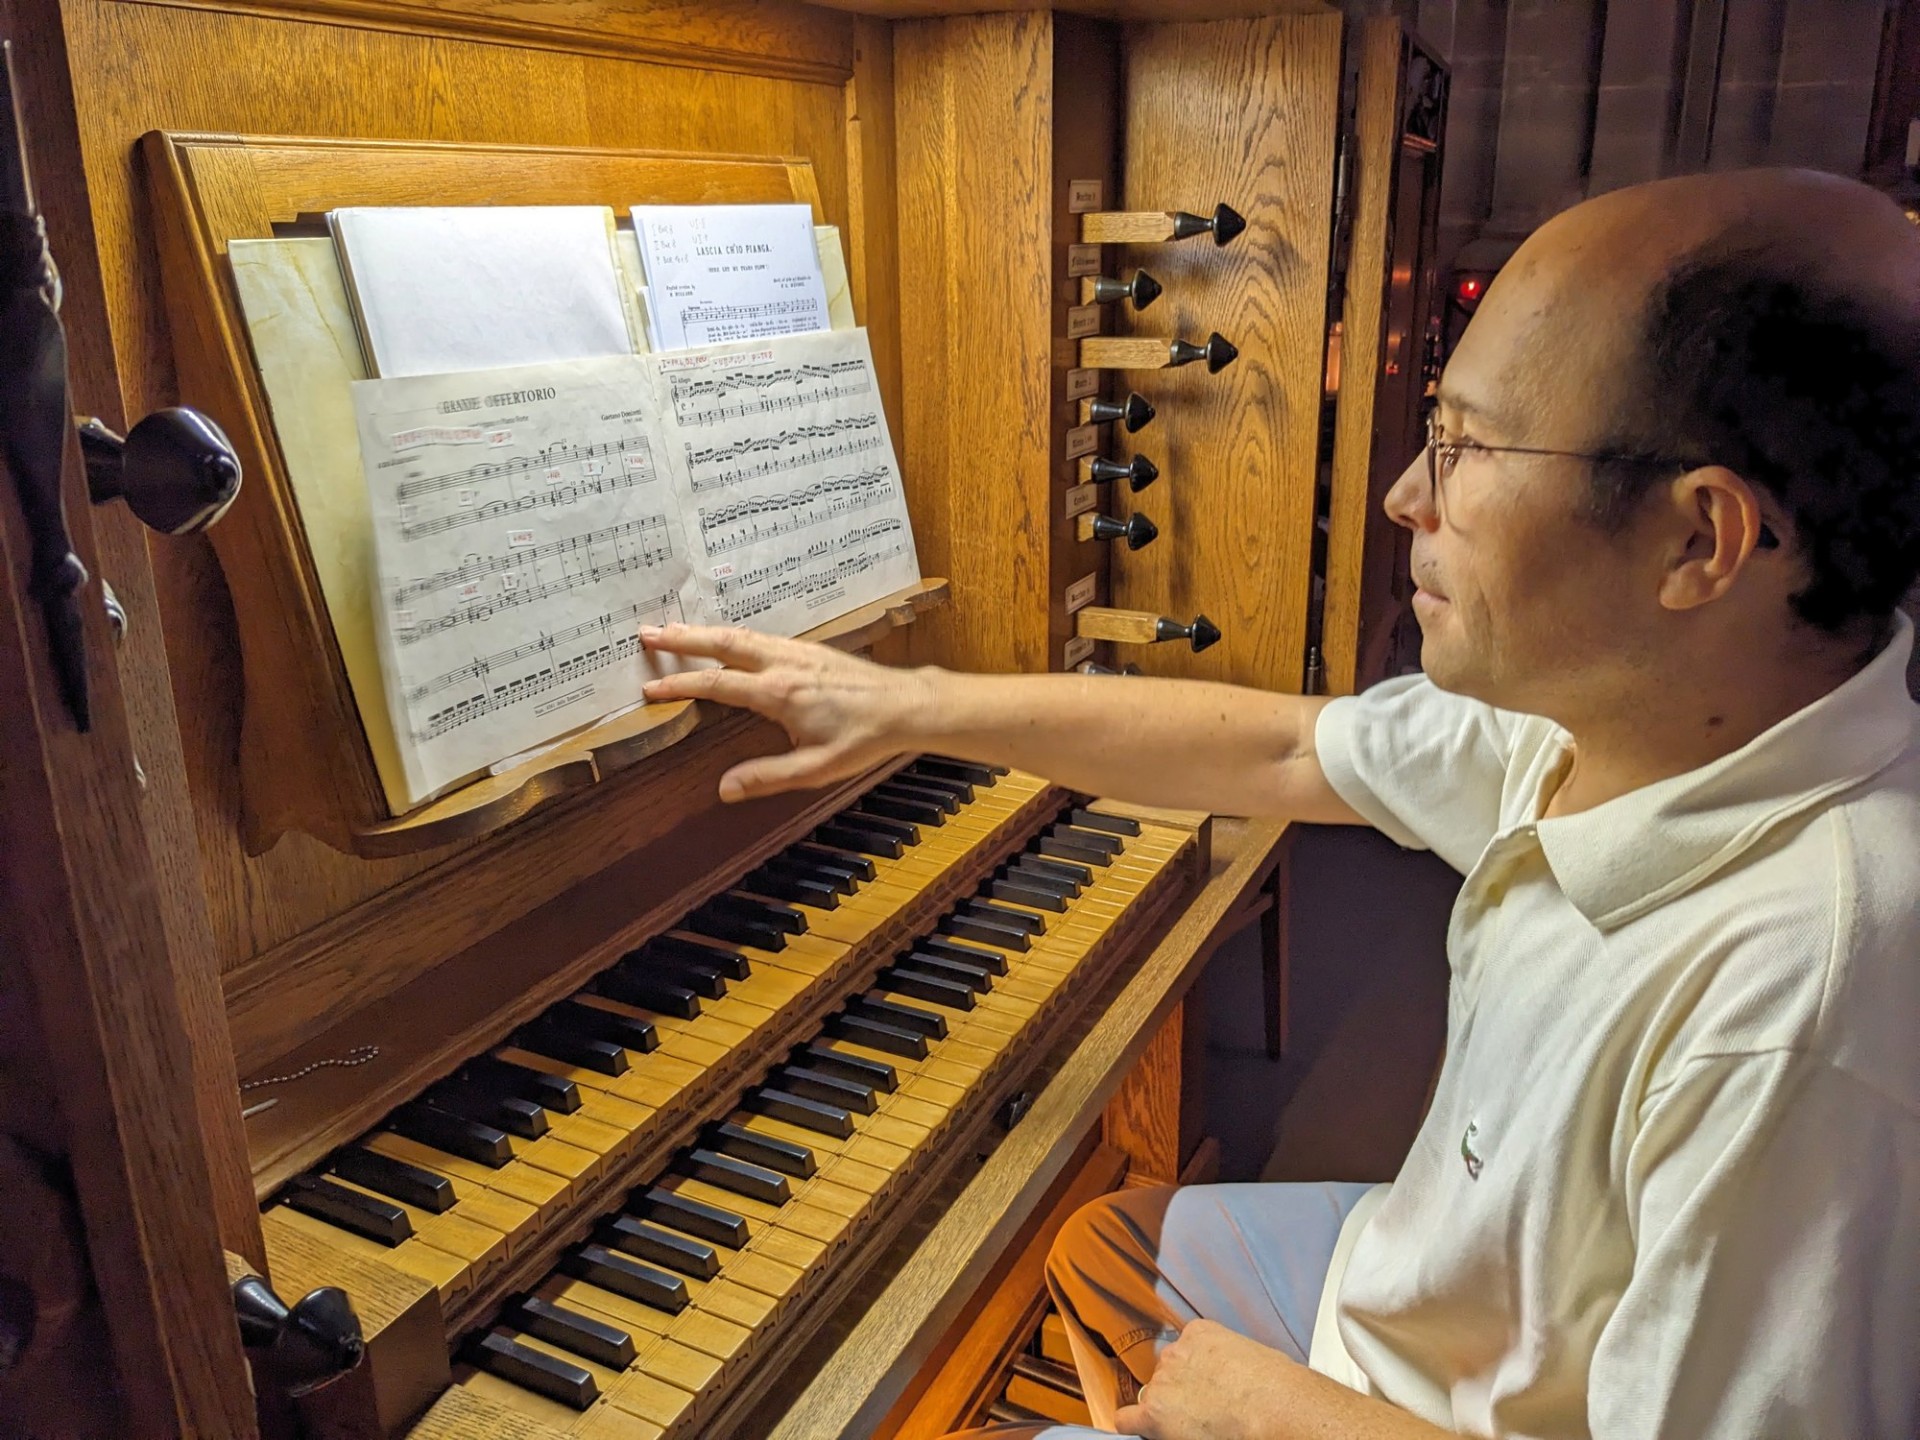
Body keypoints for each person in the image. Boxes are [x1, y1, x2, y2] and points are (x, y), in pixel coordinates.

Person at [639, 168, 1920, 1439]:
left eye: (1466, 446)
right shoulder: (1649, 711)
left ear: (1700, 542)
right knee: (1103, 1250)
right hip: (1440, 1304)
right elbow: (1283, 753)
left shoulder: (1805, 1009)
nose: (1406, 496)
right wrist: (905, 706)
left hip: (1443, 1408)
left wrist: (1281, 1418)